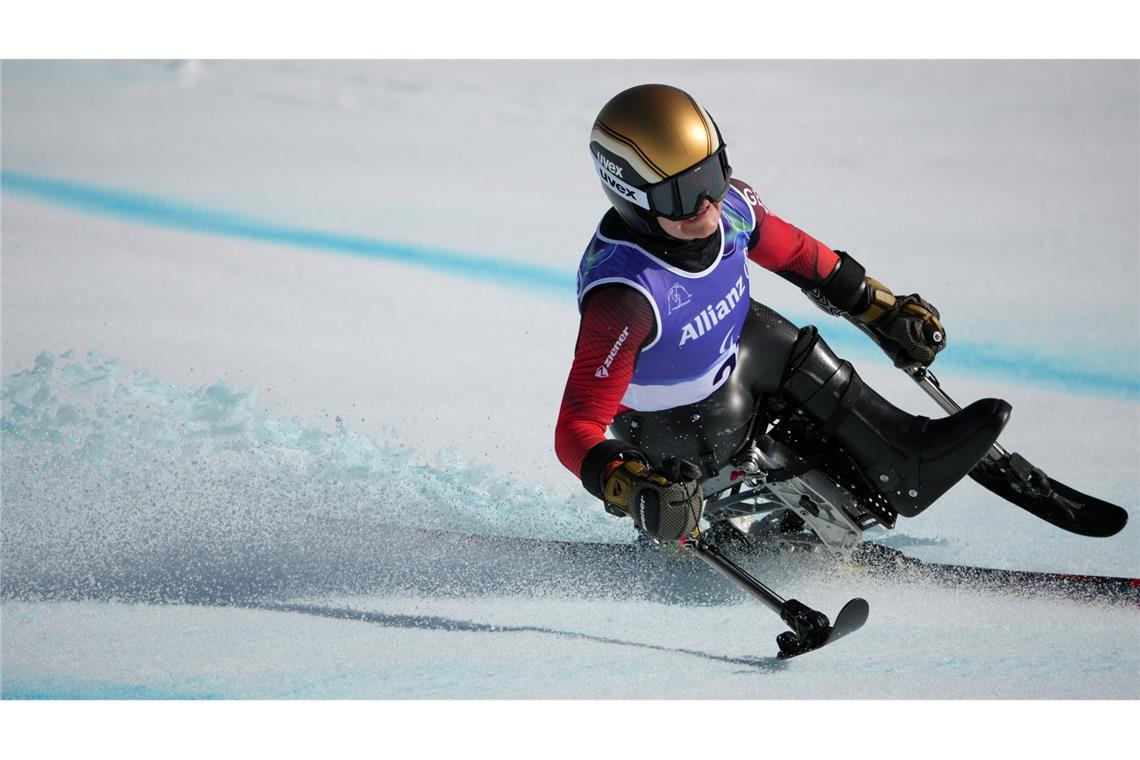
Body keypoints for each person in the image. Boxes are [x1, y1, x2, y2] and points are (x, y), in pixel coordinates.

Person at [554, 83, 1011, 543]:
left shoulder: (731, 207)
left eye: (712, 174)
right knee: (760, 331)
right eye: (683, 194)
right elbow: (576, 427)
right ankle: (718, 507)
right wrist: (630, 484)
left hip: (733, 372)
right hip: (676, 436)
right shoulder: (626, 298)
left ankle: (902, 460)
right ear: (632, 197)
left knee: (773, 333)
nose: (708, 203)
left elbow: (797, 255)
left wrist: (880, 307)